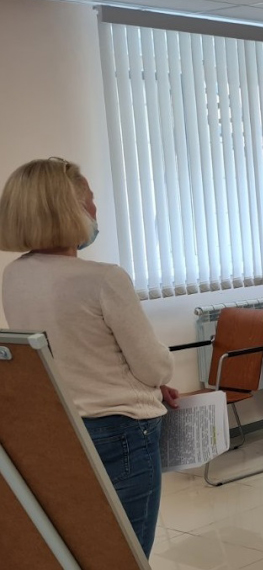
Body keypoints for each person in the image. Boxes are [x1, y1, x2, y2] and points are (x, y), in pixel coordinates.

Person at [0, 158, 179, 557]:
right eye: (89, 199)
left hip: (62, 427)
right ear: (68, 208)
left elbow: (68, 354)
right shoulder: (103, 279)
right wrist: (157, 376)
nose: (95, 209)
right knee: (127, 553)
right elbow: (153, 367)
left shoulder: (14, 275)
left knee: (86, 548)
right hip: (122, 433)